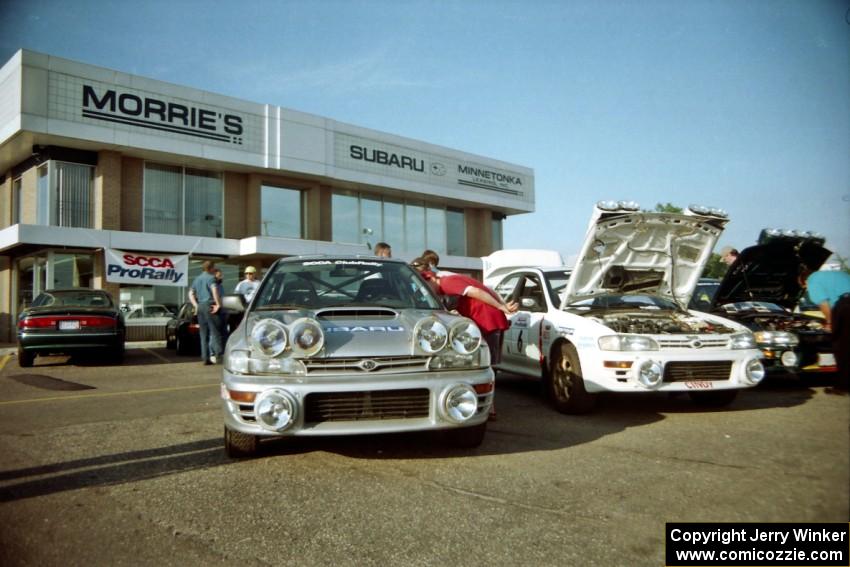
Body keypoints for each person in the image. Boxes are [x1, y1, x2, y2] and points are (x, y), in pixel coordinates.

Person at [418, 262, 518, 419]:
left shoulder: (447, 282)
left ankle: (489, 407)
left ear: (430, 279)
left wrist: (501, 306)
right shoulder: (454, 279)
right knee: (488, 363)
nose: (429, 293)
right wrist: (502, 305)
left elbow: (477, 292)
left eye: (426, 288)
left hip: (486, 321)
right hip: (491, 320)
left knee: (486, 365)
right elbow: (488, 289)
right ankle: (488, 405)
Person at [806, 268, 850, 395]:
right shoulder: (840, 274)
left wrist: (830, 323)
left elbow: (823, 304)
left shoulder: (812, 280)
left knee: (842, 348)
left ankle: (843, 387)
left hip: (845, 305)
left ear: (803, 280)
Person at [189, 260, 223, 365]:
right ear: (211, 268)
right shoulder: (211, 278)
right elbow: (214, 291)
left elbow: (190, 293)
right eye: (214, 267)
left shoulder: (197, 279)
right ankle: (219, 356)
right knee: (215, 332)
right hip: (210, 305)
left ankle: (205, 358)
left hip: (200, 307)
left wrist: (196, 305)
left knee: (203, 334)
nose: (214, 269)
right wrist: (218, 304)